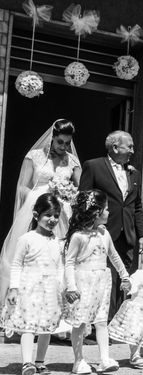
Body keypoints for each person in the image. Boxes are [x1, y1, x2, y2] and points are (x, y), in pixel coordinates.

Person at [0, 119, 79, 305]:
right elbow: (22, 187)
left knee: (57, 258)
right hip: (35, 207)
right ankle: (14, 305)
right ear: (52, 138)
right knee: (23, 254)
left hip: (61, 212)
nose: (64, 146)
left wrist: (65, 193)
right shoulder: (34, 156)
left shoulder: (72, 161)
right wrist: (42, 194)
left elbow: (79, 192)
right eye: (60, 142)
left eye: (68, 143)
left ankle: (54, 308)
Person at [79, 131, 143, 321]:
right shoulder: (93, 166)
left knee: (123, 279)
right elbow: (84, 199)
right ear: (115, 147)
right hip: (102, 232)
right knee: (102, 278)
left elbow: (137, 206)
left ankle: (114, 324)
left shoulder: (135, 173)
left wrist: (142, 234)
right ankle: (96, 324)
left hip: (127, 233)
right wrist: (87, 229)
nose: (133, 150)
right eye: (130, 146)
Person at [62, 190, 131, 375]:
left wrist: (125, 275)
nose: (109, 213)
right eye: (106, 209)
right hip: (83, 283)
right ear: (96, 212)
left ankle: (104, 359)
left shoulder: (104, 233)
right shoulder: (78, 236)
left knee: (101, 321)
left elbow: (113, 255)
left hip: (102, 282)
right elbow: (69, 262)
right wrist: (71, 286)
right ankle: (78, 360)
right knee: (80, 323)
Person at [1, 194, 64, 375]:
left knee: (46, 328)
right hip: (29, 289)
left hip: (50, 290)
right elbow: (16, 264)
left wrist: (61, 286)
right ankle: (27, 362)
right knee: (28, 326)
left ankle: (40, 361)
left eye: (56, 215)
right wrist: (13, 288)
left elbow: (60, 265)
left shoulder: (58, 242)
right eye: (48, 215)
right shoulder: (26, 239)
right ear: (36, 215)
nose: (52, 220)